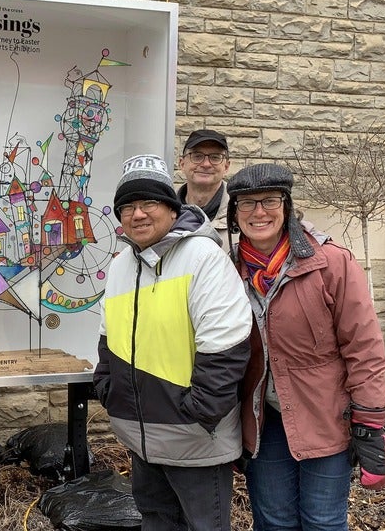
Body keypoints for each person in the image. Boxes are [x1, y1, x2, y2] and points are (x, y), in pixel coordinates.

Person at [228, 163, 385, 531]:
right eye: (247, 203)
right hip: (264, 422)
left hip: (325, 418)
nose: (259, 212)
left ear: (286, 206)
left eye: (269, 200)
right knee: (273, 522)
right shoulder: (228, 271)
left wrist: (369, 420)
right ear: (234, 215)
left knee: (323, 522)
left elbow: (364, 348)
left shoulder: (330, 263)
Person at [93, 154, 253, 531]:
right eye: (127, 206)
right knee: (156, 522)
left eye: (149, 202)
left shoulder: (203, 257)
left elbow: (227, 345)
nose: (138, 214)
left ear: (171, 208)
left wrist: (196, 413)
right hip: (142, 439)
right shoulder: (120, 265)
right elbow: (107, 339)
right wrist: (109, 390)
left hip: (195, 440)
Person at [176, 129, 231, 245]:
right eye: (197, 156)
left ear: (226, 167)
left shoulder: (242, 214)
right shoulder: (163, 213)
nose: (206, 164)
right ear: (182, 164)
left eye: (215, 157)